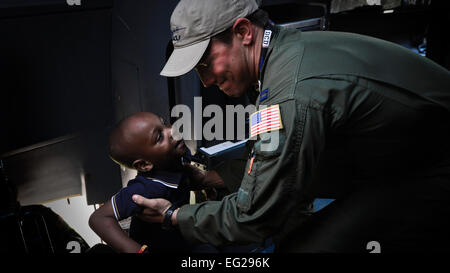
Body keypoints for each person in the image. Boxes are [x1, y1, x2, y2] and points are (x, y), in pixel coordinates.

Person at [132, 0, 450, 252]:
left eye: (205, 64)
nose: (207, 81)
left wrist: (174, 216)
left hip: (428, 170)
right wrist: (212, 176)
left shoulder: (291, 95)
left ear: (243, 32)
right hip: (401, 158)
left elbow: (253, 217)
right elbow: (274, 153)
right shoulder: (285, 53)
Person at [89, 112, 214, 253]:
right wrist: (137, 251)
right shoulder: (144, 190)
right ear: (144, 165)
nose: (172, 130)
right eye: (159, 137)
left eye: (165, 123)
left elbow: (200, 178)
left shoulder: (179, 155)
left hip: (181, 236)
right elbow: (98, 218)